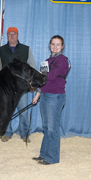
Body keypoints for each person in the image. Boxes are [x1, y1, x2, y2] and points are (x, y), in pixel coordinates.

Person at [31, 35, 69, 165]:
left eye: (58, 44)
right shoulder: (46, 61)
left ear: (62, 46)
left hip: (55, 96)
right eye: (53, 44)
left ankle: (52, 158)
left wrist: (39, 74)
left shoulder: (63, 59)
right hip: (46, 95)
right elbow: (42, 82)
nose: (55, 47)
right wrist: (37, 95)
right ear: (49, 45)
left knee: (52, 127)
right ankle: (44, 154)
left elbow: (51, 76)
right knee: (46, 126)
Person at [0, 27, 37, 143]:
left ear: (18, 35)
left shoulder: (26, 49)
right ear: (7, 36)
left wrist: (32, 83)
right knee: (6, 112)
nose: (12, 36)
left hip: (22, 88)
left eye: (14, 34)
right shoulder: (0, 50)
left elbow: (32, 66)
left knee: (23, 111)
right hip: (6, 88)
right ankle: (7, 132)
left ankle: (24, 133)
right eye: (9, 34)